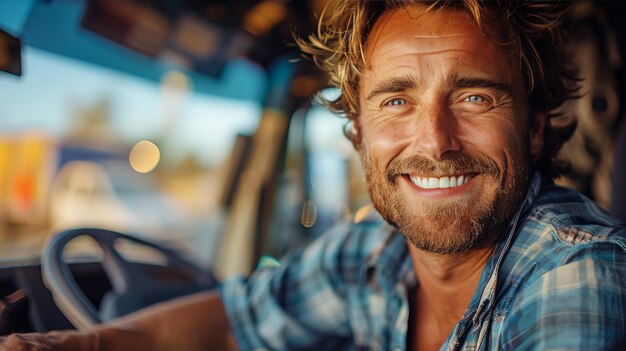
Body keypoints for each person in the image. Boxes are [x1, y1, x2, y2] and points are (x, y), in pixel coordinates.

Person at [2, 0, 625, 350]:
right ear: (358, 135)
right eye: (396, 101)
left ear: (537, 128)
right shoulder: (371, 255)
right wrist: (71, 346)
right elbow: (233, 320)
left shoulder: (580, 274)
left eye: (475, 99)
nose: (435, 142)